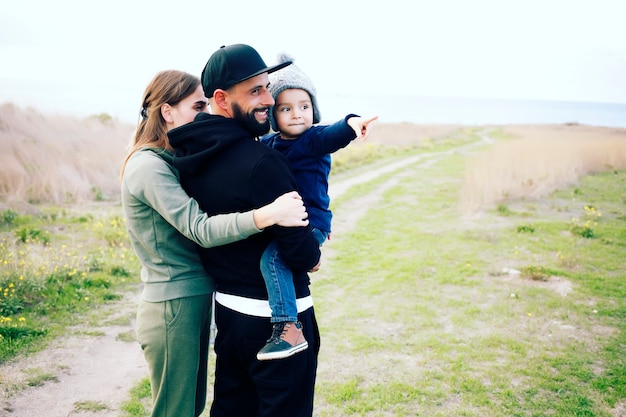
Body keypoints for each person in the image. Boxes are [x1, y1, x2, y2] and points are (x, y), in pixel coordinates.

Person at [120, 69, 310, 417]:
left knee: (191, 407)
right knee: (176, 411)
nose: (205, 114)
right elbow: (200, 229)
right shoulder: (148, 166)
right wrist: (267, 214)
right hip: (172, 303)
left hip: (191, 299)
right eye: (197, 106)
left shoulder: (173, 159)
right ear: (167, 112)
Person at [168, 44, 321, 417]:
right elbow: (302, 254)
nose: (269, 99)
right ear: (221, 98)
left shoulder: (190, 155)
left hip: (230, 317)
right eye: (255, 90)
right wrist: (313, 254)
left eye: (267, 87)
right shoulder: (263, 163)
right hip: (279, 322)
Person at [257, 57, 378, 360]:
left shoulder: (313, 139)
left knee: (272, 261)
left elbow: (332, 133)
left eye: (304, 106)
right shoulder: (271, 143)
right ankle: (307, 263)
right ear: (273, 114)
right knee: (275, 254)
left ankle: (288, 327)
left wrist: (352, 124)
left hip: (310, 223)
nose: (297, 114)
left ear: (314, 110)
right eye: (286, 108)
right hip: (291, 222)